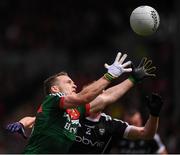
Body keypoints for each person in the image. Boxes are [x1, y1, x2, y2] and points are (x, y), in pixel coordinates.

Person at [6, 56, 157, 153]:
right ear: (55, 89)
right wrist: (110, 75)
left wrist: (133, 79)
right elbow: (84, 97)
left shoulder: (76, 111)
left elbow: (106, 97)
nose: (74, 85)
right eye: (69, 82)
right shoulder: (53, 99)